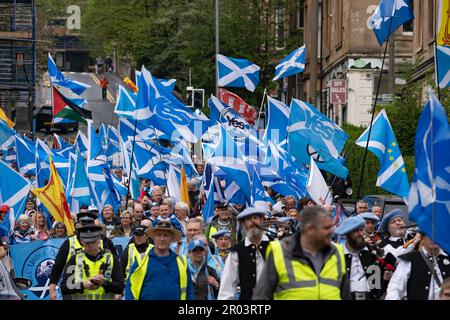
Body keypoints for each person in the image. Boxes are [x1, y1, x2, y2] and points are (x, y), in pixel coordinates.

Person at [252, 206, 349, 300]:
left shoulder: (337, 252)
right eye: (326, 228)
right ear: (310, 229)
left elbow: (345, 295)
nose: (331, 232)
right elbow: (261, 296)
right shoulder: (280, 251)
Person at [48, 211, 118, 300]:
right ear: (79, 226)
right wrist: (52, 290)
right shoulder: (69, 243)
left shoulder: (105, 242)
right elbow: (57, 267)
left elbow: (116, 267)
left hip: (100, 292)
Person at [124, 220, 194, 300]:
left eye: (166, 235)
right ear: (153, 238)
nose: (162, 239)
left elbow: (189, 292)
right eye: (159, 235)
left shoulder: (182, 262)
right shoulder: (141, 260)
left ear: (172, 239)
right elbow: (129, 289)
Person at [218, 207, 271, 300]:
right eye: (248, 219)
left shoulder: (275, 246)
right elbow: (227, 286)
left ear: (262, 220)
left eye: (255, 217)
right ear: (243, 224)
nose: (253, 222)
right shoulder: (237, 251)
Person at [60, 225, 124, 300]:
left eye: (93, 242)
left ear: (99, 239)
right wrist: (83, 285)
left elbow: (120, 287)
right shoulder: (74, 260)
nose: (90, 246)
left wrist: (104, 283)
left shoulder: (112, 259)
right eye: (87, 242)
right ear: (81, 242)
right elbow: (64, 288)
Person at [386, 233, 450, 300]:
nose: (434, 239)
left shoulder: (448, 258)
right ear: (422, 238)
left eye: (438, 234)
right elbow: (395, 288)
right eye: (430, 235)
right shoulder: (409, 260)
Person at [334, 216, 382, 300]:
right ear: (347, 234)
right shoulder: (338, 255)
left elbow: (378, 284)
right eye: (356, 231)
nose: (361, 234)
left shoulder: (373, 253)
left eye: (361, 230)